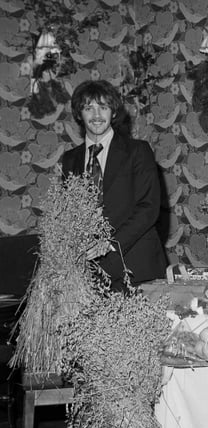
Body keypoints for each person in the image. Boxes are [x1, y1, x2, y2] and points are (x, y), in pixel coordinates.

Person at [61, 79, 167, 289]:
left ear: (114, 112)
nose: (97, 115)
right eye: (88, 108)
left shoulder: (138, 151)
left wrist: (109, 244)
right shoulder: (70, 159)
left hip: (136, 267)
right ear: (79, 115)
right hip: (88, 275)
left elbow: (148, 208)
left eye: (103, 107)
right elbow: (68, 214)